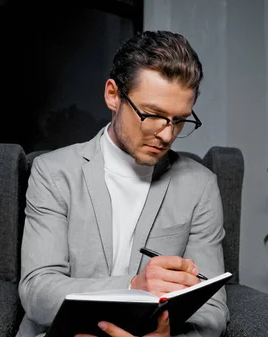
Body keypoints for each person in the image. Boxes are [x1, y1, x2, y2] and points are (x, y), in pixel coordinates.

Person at [16, 30, 229, 337]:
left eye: (179, 120)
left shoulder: (200, 185)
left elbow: (212, 309)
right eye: (153, 115)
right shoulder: (53, 172)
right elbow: (37, 291)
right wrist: (133, 286)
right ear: (113, 95)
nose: (167, 135)